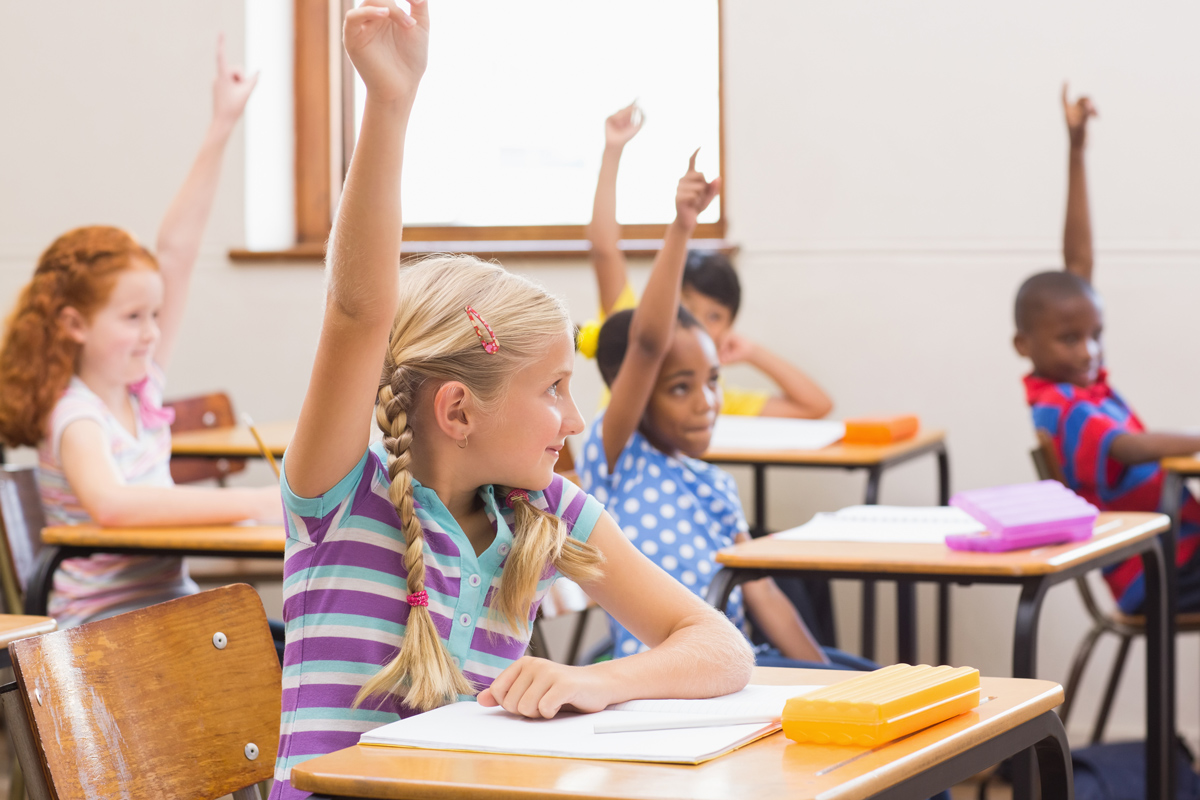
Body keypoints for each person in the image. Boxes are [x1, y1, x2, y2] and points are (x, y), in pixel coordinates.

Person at [271, 4, 753, 797]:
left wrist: (603, 682)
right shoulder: (337, 499)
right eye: (554, 391)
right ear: (457, 411)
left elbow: (718, 646)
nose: (572, 419)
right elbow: (357, 313)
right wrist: (388, 105)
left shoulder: (542, 510)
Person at [0, 38, 281, 628]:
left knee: (292, 650)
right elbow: (112, 503)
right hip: (107, 637)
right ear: (74, 325)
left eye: (154, 315)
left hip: (169, 612)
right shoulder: (75, 416)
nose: (153, 332)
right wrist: (259, 501)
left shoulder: (138, 388)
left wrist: (221, 125)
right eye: (133, 319)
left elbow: (176, 254)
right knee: (285, 655)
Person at [575, 133, 874, 670]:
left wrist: (832, 686)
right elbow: (649, 344)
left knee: (867, 677)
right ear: (635, 391)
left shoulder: (715, 484)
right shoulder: (614, 455)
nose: (707, 402)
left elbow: (763, 596)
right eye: (680, 387)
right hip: (663, 675)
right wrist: (683, 225)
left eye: (712, 381)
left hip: (735, 667)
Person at [1016, 85, 1200, 614]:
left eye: (1095, 334)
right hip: (1156, 570)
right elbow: (1128, 447)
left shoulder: (1078, 384)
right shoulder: (1059, 405)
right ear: (1023, 345)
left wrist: (1077, 152)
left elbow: (1079, 264)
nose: (1089, 350)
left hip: (1176, 552)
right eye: (1070, 339)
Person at [580, 102, 832, 419]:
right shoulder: (635, 334)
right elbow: (604, 248)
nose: (695, 322)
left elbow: (817, 406)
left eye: (713, 317)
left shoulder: (710, 394)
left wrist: (753, 353)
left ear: (727, 329)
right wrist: (613, 150)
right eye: (685, 305)